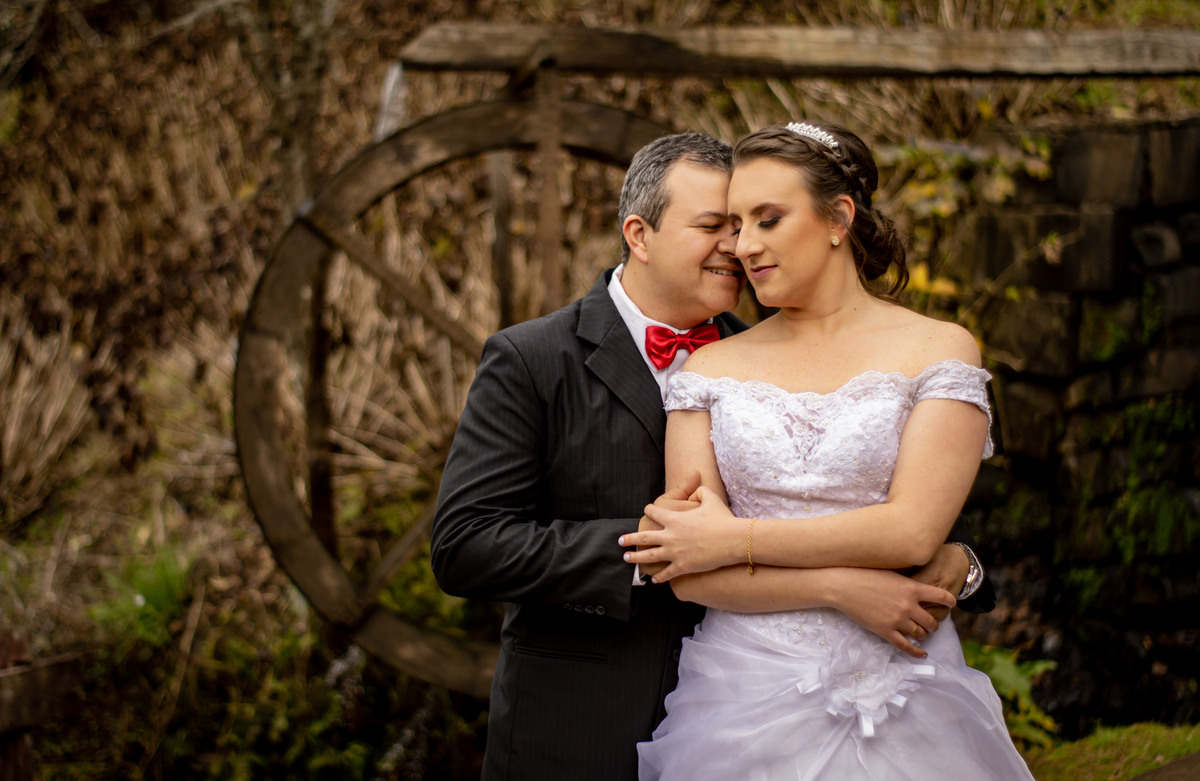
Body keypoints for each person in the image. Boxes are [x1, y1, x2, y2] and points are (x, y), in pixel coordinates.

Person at [431, 132, 992, 781]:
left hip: (777, 700)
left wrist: (964, 560)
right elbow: (465, 543)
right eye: (715, 225)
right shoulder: (532, 359)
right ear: (639, 235)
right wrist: (662, 548)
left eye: (749, 223)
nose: (738, 245)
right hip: (585, 721)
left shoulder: (766, 347)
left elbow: (895, 503)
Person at [622, 123, 1031, 780]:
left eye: (768, 219)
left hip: (899, 674)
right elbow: (689, 567)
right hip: (739, 693)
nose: (743, 245)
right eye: (735, 224)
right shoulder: (707, 367)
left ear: (838, 217)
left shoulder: (938, 350)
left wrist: (735, 539)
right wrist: (840, 587)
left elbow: (912, 530)